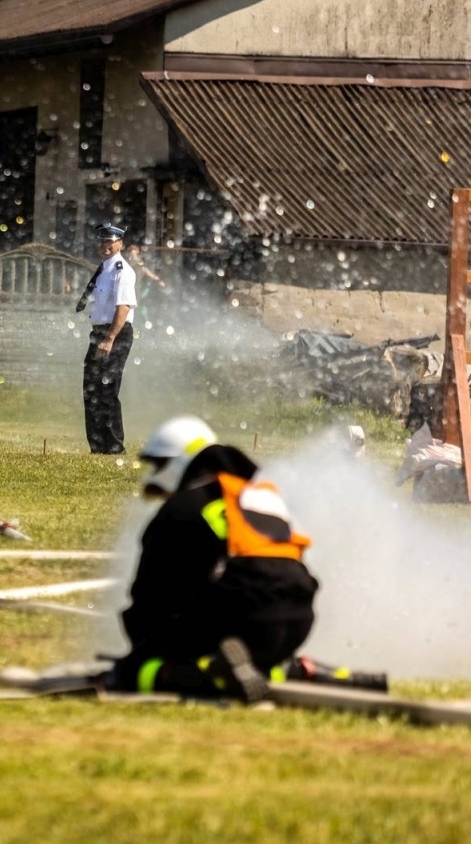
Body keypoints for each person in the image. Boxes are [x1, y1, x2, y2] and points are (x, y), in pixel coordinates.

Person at [107, 416, 318, 703]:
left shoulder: (184, 507)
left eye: (159, 465)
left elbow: (150, 595)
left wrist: (144, 649)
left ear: (180, 461)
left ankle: (207, 674)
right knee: (253, 643)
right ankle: (293, 669)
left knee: (136, 670)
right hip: (300, 617)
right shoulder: (257, 495)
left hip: (247, 617)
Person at [77, 224, 137, 454]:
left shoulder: (122, 270)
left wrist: (110, 338)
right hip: (100, 333)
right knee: (91, 389)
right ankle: (97, 446)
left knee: (107, 389)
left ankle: (114, 447)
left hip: (116, 334)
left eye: (110, 242)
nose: (105, 246)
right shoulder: (104, 269)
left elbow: (123, 308)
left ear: (120, 243)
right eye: (102, 242)